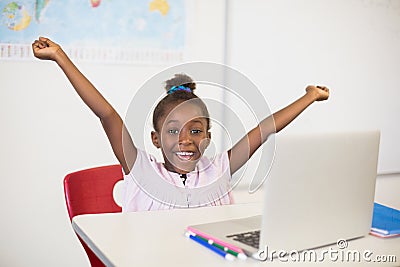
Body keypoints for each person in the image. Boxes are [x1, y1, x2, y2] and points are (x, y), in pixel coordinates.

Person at [32, 37, 330, 212]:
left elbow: (265, 129)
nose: (185, 139)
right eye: (172, 130)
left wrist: (309, 97)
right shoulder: (141, 169)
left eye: (195, 130)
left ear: (208, 137)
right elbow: (107, 114)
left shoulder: (219, 170)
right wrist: (60, 56)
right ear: (156, 139)